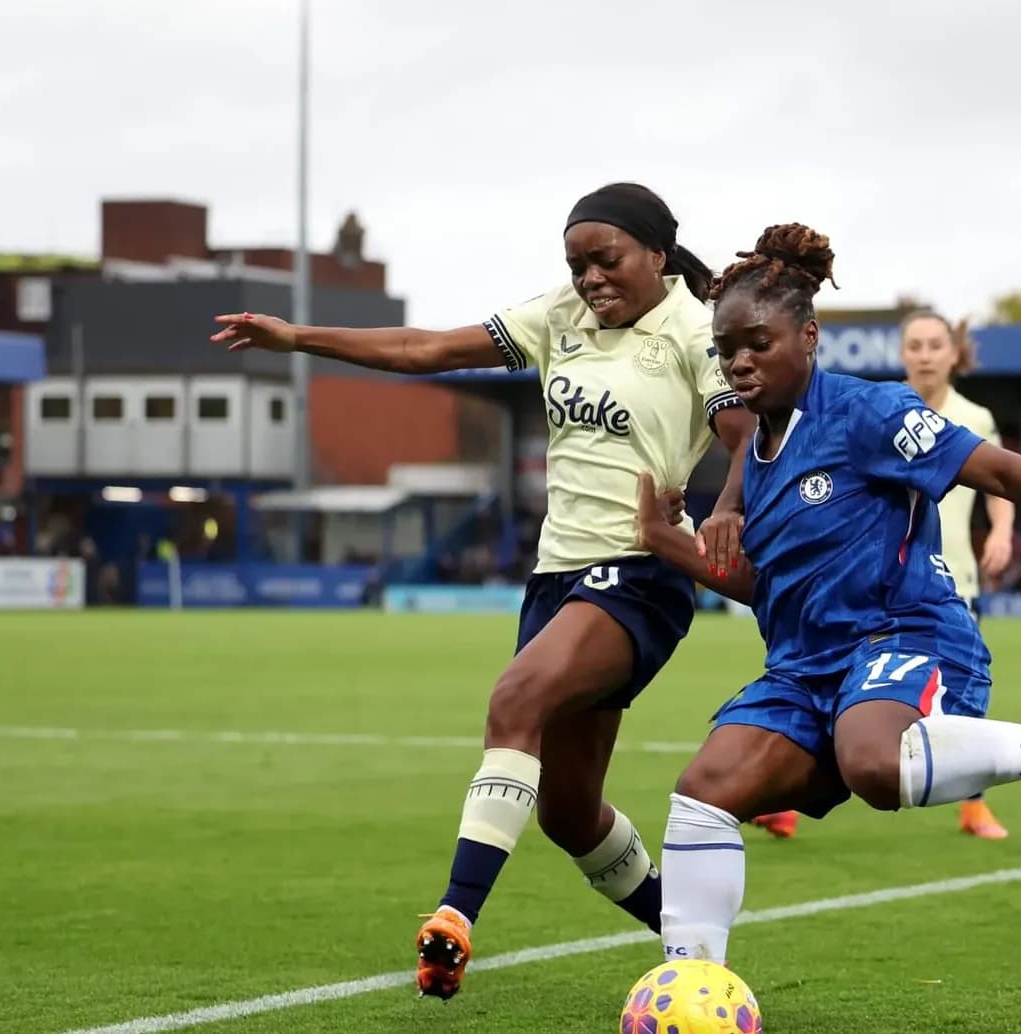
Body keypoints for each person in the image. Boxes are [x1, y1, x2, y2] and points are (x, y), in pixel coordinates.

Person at [210, 183, 756, 1000]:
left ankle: (454, 919)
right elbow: (421, 348)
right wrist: (297, 338)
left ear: (656, 253)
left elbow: (743, 430)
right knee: (571, 813)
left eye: (605, 260)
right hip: (555, 579)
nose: (590, 279)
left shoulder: (690, 328)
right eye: (576, 265)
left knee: (515, 702)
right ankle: (693, 948)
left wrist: (725, 508)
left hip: (640, 574)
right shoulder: (557, 317)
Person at [630, 223, 1021, 966]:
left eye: (760, 342)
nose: (740, 361)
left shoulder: (866, 413)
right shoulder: (758, 457)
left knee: (876, 764)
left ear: (809, 337)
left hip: (904, 635)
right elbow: (765, 587)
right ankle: (693, 988)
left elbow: (1005, 472)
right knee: (703, 790)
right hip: (806, 667)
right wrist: (668, 542)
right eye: (727, 349)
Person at [748, 309, 1018, 842]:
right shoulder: (878, 406)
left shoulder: (974, 415)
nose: (923, 355)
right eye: (914, 345)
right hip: (883, 574)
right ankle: (788, 802)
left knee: (955, 692)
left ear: (952, 354)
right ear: (902, 354)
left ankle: (973, 804)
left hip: (952, 573)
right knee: (830, 681)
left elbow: (996, 479)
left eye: (934, 345)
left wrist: (1004, 533)